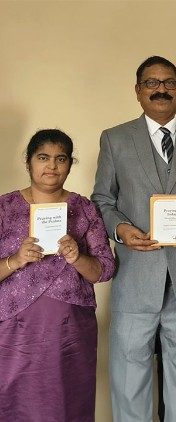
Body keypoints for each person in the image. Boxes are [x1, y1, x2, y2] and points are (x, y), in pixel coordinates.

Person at [92, 56, 176, 421]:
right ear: (138, 91)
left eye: (169, 82)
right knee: (128, 375)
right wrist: (121, 231)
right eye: (151, 83)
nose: (161, 89)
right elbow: (102, 201)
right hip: (136, 276)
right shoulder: (115, 139)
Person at [0, 129, 115, 421]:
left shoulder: (84, 208)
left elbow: (105, 270)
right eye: (43, 157)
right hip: (15, 329)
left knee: (67, 400)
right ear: (28, 163)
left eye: (60, 158)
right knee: (14, 401)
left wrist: (77, 258)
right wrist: (15, 260)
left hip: (70, 330)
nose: (51, 166)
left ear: (69, 164)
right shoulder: (4, 208)